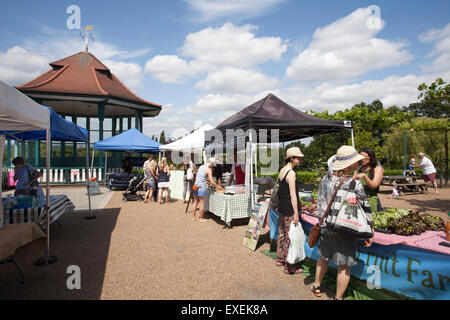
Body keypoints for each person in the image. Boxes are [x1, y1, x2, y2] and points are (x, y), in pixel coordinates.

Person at [311, 145, 373, 300]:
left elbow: (320, 203)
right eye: (356, 162)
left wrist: (323, 221)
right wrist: (369, 231)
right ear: (351, 164)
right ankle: (338, 297)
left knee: (323, 258)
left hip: (326, 226)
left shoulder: (326, 179)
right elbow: (363, 208)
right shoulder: (354, 184)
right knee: (344, 266)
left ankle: (316, 285)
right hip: (346, 229)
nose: (358, 164)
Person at [276, 147, 304, 275]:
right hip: (289, 209)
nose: (300, 160)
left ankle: (280, 259)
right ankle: (289, 266)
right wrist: (296, 213)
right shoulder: (291, 173)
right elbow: (293, 195)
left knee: (282, 233)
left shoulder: (283, 170)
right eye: (298, 158)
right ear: (292, 158)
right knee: (290, 237)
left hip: (281, 207)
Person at [354, 147, 384, 213]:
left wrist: (365, 176)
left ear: (371, 157)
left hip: (371, 201)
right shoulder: (358, 168)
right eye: (361, 157)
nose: (362, 159)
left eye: (365, 157)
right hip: (358, 201)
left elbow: (374, 186)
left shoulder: (377, 169)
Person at [192, 158, 222, 222]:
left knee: (195, 202)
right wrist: (218, 186)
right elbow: (212, 181)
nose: (213, 166)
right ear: (211, 163)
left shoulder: (201, 166)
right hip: (201, 187)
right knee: (202, 203)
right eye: (213, 165)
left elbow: (197, 176)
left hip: (195, 185)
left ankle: (194, 217)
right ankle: (201, 218)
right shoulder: (208, 170)